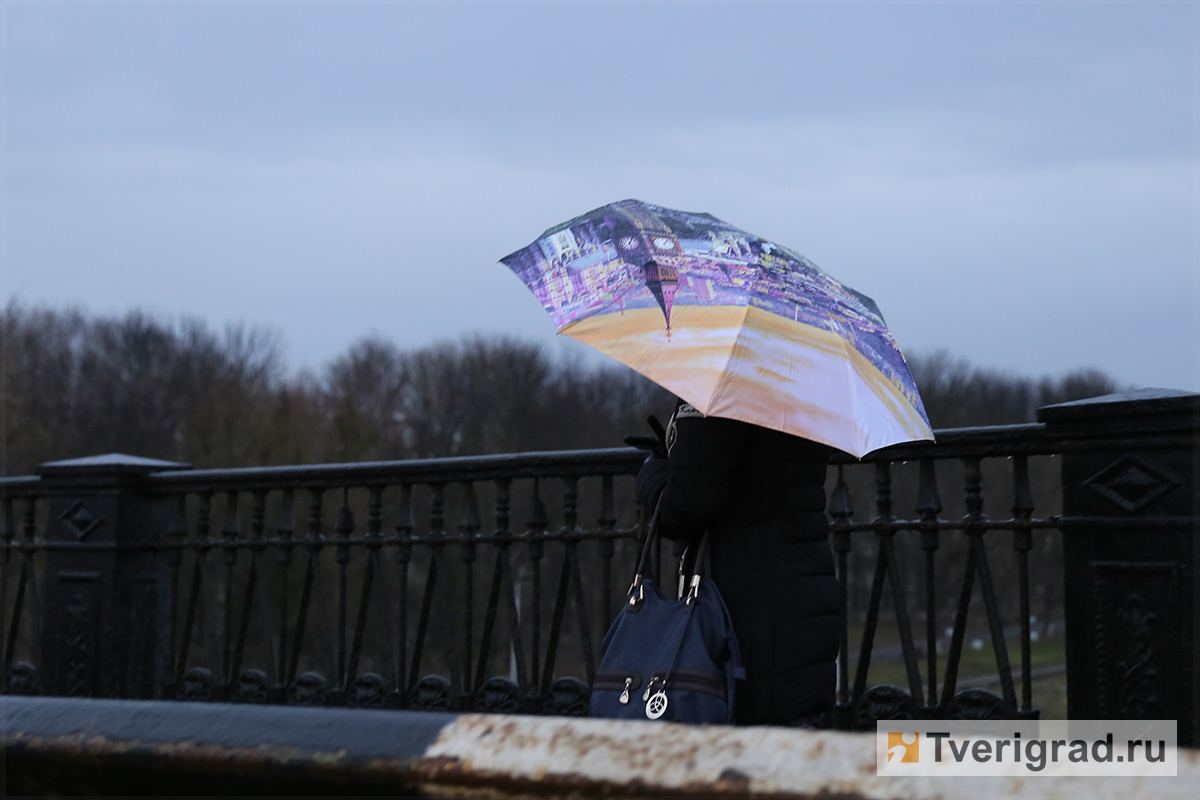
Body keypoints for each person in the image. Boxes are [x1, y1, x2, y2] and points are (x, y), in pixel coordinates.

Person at [635, 399, 840, 726]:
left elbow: (684, 507)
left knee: (748, 756)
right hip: (800, 591)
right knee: (792, 746)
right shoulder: (794, 380)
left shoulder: (721, 390)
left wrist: (653, 474)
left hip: (747, 612)